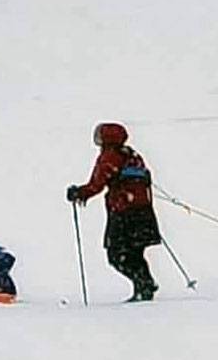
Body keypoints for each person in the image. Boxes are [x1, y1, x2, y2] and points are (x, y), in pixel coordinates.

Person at [67, 122, 161, 302]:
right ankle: (144, 286)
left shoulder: (109, 157)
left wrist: (78, 193)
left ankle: (144, 284)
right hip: (143, 211)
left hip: (123, 212)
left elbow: (97, 184)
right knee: (135, 252)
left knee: (117, 254)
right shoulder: (131, 154)